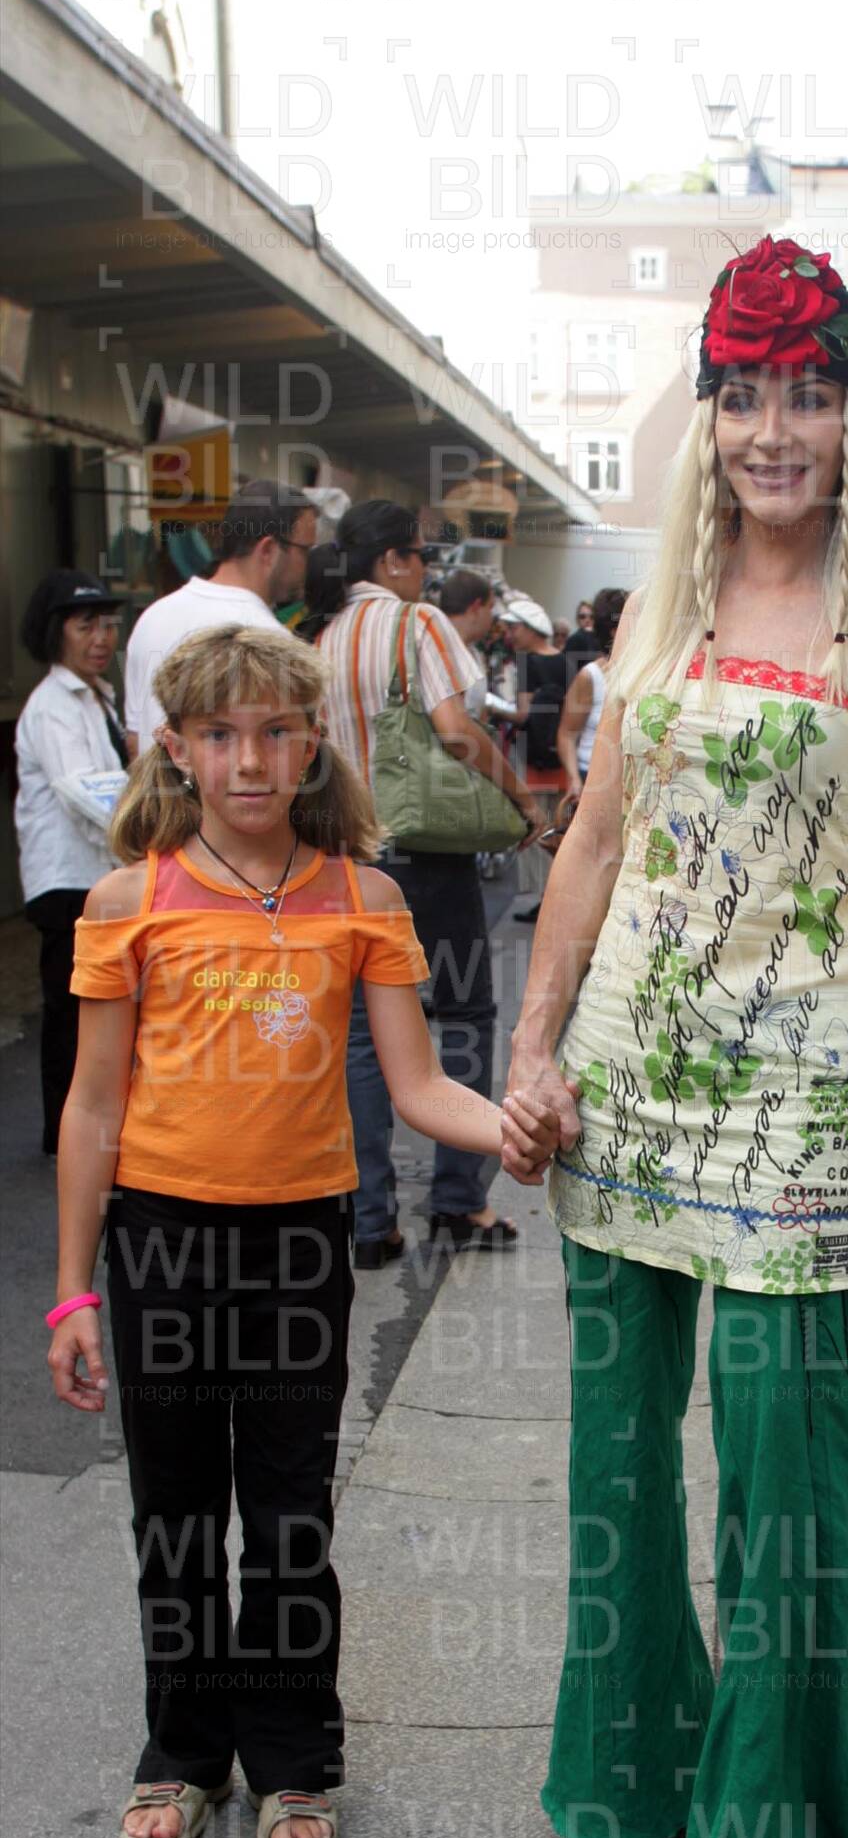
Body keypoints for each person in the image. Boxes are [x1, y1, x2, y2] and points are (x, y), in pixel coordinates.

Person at [508, 232, 848, 1838]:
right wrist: (532, 1046)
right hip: (624, 1086)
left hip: (800, 1106)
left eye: (808, 396)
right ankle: (634, 1774)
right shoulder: (660, 615)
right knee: (617, 1466)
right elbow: (592, 846)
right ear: (710, 416)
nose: (775, 431)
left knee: (784, 1477)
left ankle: (763, 1832)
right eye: (746, 395)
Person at [46, 623, 554, 1838]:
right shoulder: (130, 902)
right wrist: (70, 1293)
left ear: (311, 743)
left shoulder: (360, 897)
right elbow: (94, 1108)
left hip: (297, 1243)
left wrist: (515, 1127)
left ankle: (292, 1758)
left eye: (275, 732)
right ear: (175, 748)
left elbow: (418, 1085)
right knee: (175, 1514)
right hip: (161, 1241)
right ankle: (182, 1751)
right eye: (219, 735)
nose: (249, 761)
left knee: (286, 1517)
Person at [309, 500, 540, 1268]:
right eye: (418, 557)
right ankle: (458, 1199)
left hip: (344, 859)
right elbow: (455, 730)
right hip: (424, 857)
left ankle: (370, 1220)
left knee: (361, 1037)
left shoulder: (320, 634)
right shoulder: (416, 624)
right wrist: (521, 798)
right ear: (392, 562)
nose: (424, 573)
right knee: (466, 1014)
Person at [14, 572, 130, 1152]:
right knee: (70, 1007)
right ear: (55, 632)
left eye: (107, 625)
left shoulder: (97, 696)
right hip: (68, 879)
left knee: (94, 1003)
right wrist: (143, 833)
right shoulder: (54, 705)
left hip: (96, 874)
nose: (101, 638)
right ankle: (65, 1136)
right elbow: (86, 792)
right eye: (86, 626)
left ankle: (83, 1127)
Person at [124, 482, 314, 752]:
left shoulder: (153, 618)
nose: (308, 564)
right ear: (268, 550)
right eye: (305, 550)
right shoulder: (270, 640)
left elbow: (135, 739)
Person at [497, 593, 573, 924]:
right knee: (561, 828)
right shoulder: (566, 661)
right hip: (562, 758)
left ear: (530, 628)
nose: (510, 635)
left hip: (534, 759)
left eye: (514, 628)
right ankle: (562, 898)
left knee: (539, 827)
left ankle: (545, 900)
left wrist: (493, 707)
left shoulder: (528, 663)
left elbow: (523, 714)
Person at [555, 586, 624, 790]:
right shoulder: (590, 676)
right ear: (614, 630)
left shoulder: (649, 674)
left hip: (630, 781)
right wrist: (574, 779)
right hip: (592, 779)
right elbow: (566, 734)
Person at [437, 566, 497, 720]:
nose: (492, 616)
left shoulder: (474, 653)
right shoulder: (435, 650)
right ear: (476, 607)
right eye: (490, 607)